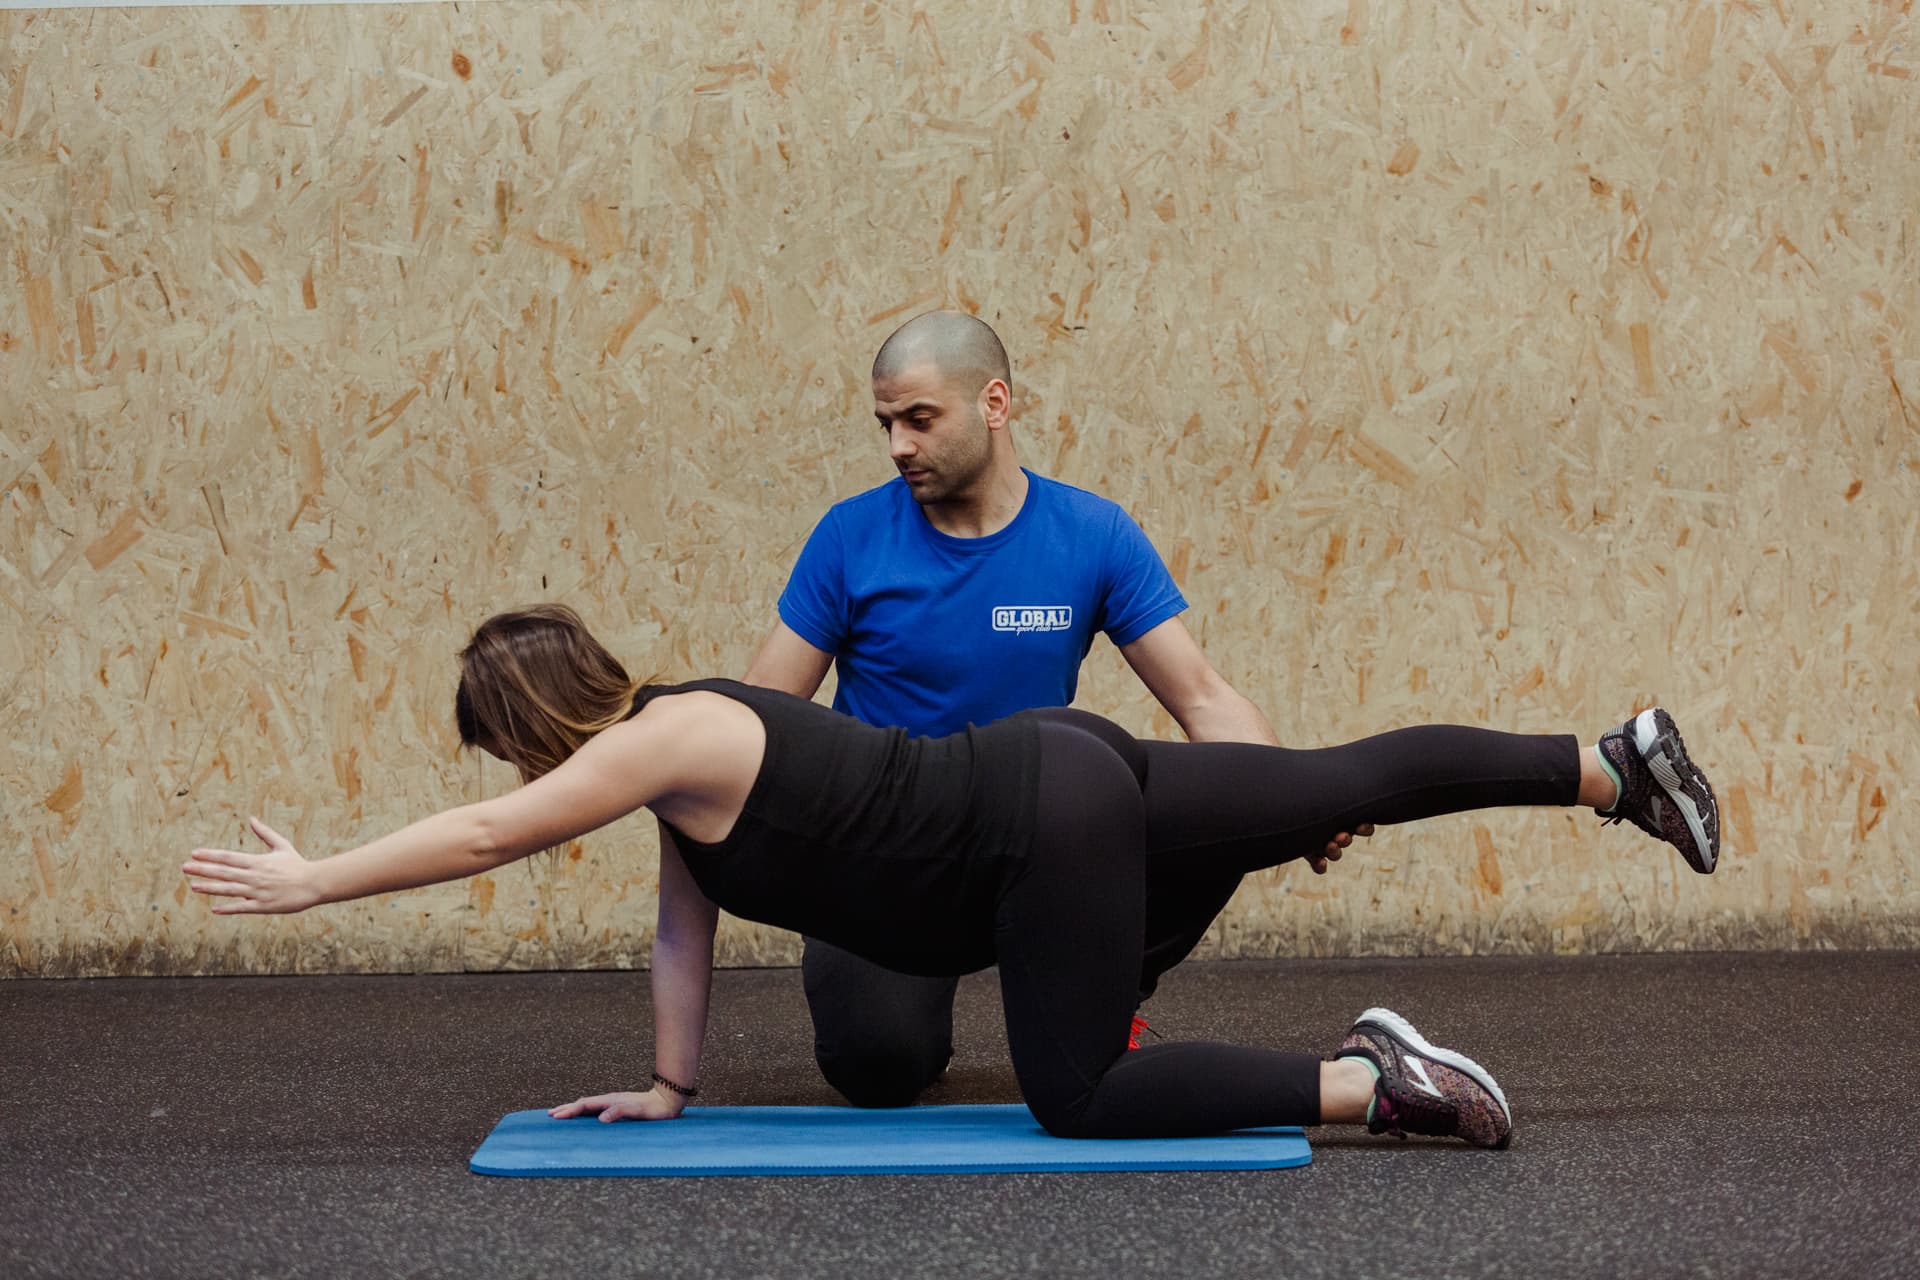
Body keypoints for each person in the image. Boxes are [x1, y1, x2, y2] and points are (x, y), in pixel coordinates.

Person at [182, 605, 1719, 1148]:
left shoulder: (659, 743)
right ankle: (1606, 765)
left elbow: (480, 841)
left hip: (1040, 825)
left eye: (504, 749)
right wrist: (671, 1087)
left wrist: (316, 884)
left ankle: (1368, 1082)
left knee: (1079, 1098)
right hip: (1063, 765)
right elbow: (681, 932)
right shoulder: (678, 756)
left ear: (528, 725)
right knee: (1324, 787)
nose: (513, 784)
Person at [745, 310, 1368, 1107]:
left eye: (919, 419)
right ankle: (914, 1018)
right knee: (878, 1066)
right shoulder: (850, 538)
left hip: (1032, 840)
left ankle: (1107, 996)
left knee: (1226, 807)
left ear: (994, 404)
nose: (898, 444)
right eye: (886, 423)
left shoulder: (1090, 534)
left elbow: (1204, 698)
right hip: (888, 853)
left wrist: (1300, 802)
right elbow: (758, 717)